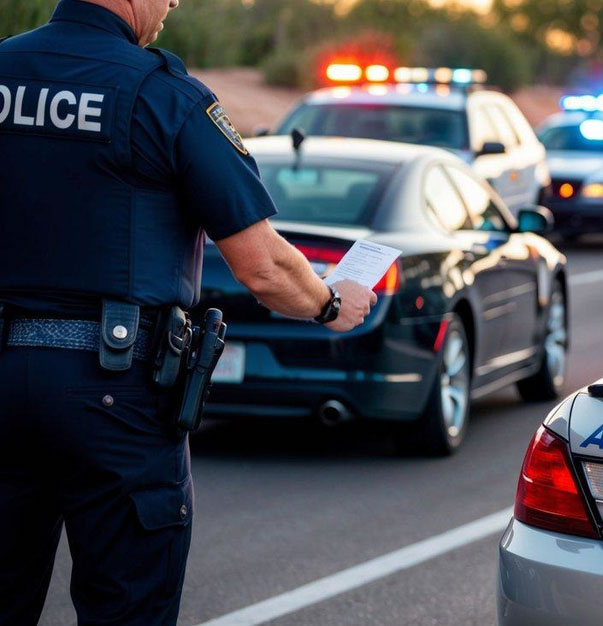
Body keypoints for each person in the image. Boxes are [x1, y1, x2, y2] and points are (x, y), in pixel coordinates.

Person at [0, 1, 378, 624]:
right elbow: (261, 266)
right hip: (115, 393)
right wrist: (330, 302)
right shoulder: (162, 94)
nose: (174, 1)